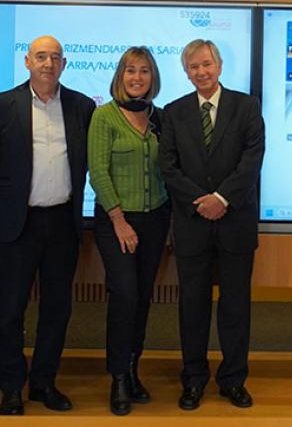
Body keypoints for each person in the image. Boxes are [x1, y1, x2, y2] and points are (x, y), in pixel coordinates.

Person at [159, 39, 265, 411]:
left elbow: (252, 160)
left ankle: (233, 380)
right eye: (193, 67)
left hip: (235, 221)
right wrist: (200, 201)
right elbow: (168, 166)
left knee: (236, 306)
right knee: (192, 306)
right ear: (186, 72)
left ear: (219, 65)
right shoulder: (173, 112)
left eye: (206, 64)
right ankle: (193, 380)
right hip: (192, 224)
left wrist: (222, 199)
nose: (201, 72)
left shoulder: (247, 106)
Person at [0, 36, 95, 415]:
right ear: (26, 61)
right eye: (41, 56)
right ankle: (10, 386)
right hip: (16, 224)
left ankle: (43, 383)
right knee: (9, 310)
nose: (48, 63)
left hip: (62, 222)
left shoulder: (81, 106)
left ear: (65, 63)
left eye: (55, 57)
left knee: (57, 309)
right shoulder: (5, 105)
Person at [88, 47, 170, 415]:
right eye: (130, 71)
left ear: (153, 77)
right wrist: (119, 221)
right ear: (120, 76)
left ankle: (134, 371)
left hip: (156, 220)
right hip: (115, 222)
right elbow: (98, 171)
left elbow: (171, 170)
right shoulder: (103, 116)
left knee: (143, 299)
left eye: (144, 71)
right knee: (124, 295)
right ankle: (118, 377)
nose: (137, 78)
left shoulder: (162, 118)